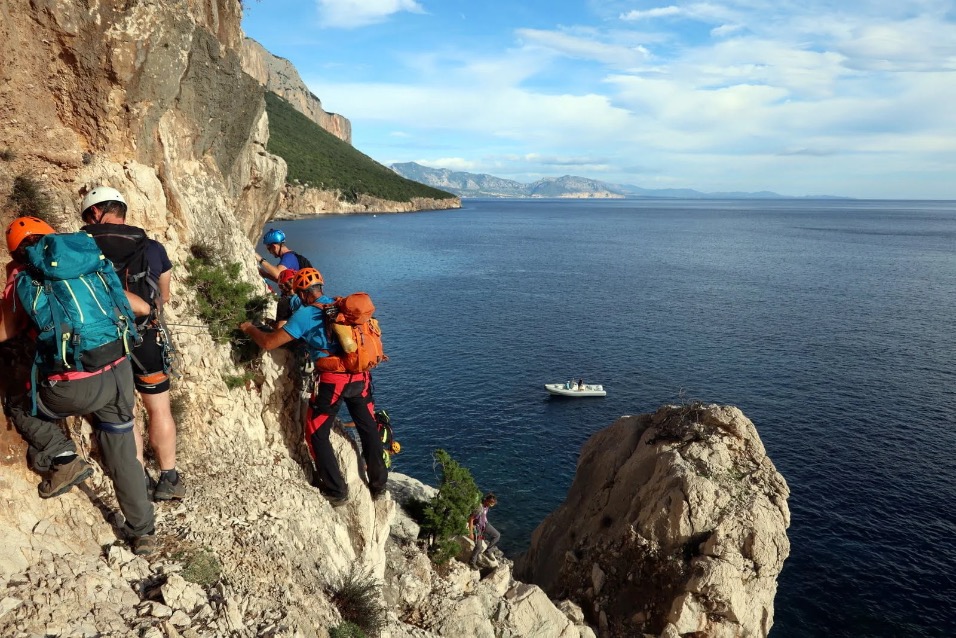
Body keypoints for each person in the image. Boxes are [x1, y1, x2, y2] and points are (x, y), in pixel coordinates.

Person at [1, 217, 156, 554]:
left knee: (19, 403)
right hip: (119, 371)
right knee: (122, 453)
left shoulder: (24, 276)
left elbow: (7, 331)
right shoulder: (91, 266)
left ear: (16, 252)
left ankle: (63, 456)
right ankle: (142, 531)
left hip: (74, 385)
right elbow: (141, 306)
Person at [239, 267, 387, 504]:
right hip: (361, 377)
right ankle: (379, 485)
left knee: (316, 432)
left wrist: (248, 328)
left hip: (333, 381)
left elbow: (269, 342)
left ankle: (337, 490)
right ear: (320, 288)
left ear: (303, 293)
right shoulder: (340, 306)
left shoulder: (305, 314)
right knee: (368, 427)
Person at [80, 185, 184, 501]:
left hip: (104, 344)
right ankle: (168, 478)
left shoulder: (80, 247)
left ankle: (137, 478)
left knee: (126, 415)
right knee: (159, 409)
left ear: (96, 212)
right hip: (146, 338)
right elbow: (163, 296)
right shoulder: (153, 248)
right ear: (122, 211)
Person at [468, 493, 500, 568]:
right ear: (487, 501)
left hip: (484, 524)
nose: (492, 505)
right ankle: (472, 562)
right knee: (479, 546)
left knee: (497, 535)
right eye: (491, 503)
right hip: (476, 527)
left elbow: (483, 515)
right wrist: (471, 533)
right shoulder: (479, 507)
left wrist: (485, 521)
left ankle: (488, 551)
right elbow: (471, 519)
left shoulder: (486, 506)